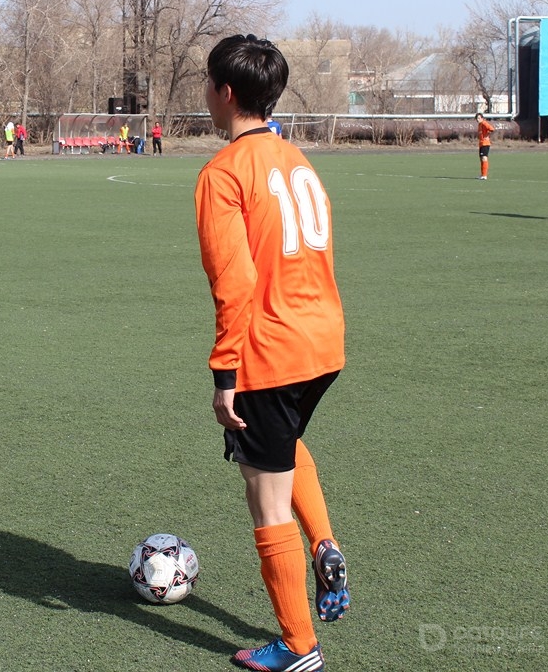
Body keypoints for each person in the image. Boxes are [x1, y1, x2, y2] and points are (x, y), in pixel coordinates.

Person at [195, 34, 349, 672]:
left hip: (270, 347)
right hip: (324, 340)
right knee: (283, 446)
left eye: (207, 83)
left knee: (265, 496)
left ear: (226, 92)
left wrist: (225, 371)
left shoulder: (224, 173)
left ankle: (299, 646)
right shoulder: (296, 159)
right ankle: (324, 543)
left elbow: (233, 283)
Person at [475, 112, 494, 179]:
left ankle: (485, 175)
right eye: (477, 118)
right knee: (481, 159)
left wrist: (487, 135)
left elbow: (491, 129)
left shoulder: (484, 123)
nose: (478, 119)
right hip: (481, 144)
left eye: (479, 118)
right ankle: (482, 174)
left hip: (485, 143)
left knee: (484, 158)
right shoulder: (479, 125)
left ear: (482, 118)